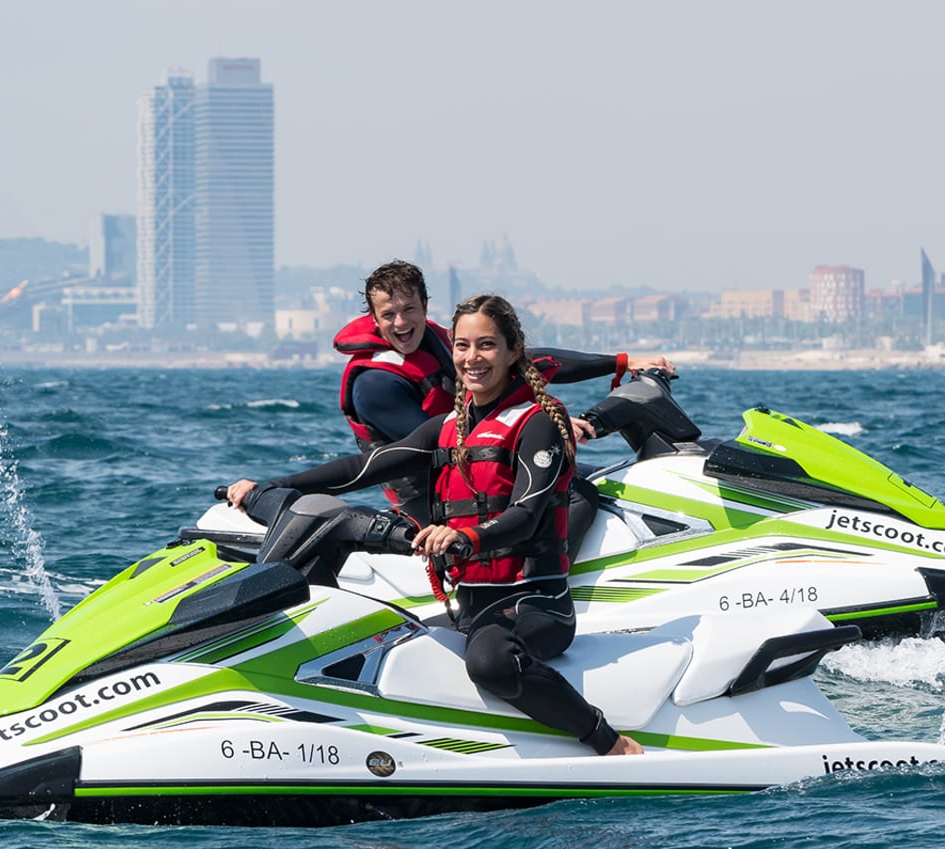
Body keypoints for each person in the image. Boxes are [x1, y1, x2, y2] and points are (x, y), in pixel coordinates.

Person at [228, 294, 644, 757]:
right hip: (469, 605)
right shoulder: (449, 427)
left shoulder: (538, 422)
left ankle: (608, 741)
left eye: (486, 345)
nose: (472, 357)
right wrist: (271, 486)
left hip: (535, 605)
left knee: (489, 664)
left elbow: (525, 517)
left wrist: (465, 536)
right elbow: (362, 468)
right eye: (462, 346)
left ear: (513, 351)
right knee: (366, 646)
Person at [334, 259, 675, 524]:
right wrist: (541, 425)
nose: (400, 322)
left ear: (424, 306)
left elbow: (531, 362)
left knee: (612, 482)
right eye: (389, 314)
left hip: (488, 468)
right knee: (578, 496)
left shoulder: (442, 343)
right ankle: (540, 585)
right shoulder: (375, 384)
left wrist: (622, 362)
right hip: (436, 501)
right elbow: (444, 439)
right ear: (374, 320)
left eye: (409, 309)